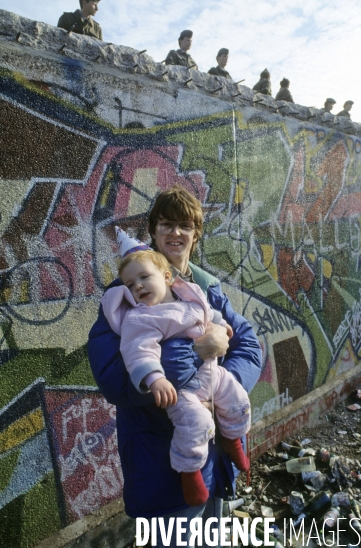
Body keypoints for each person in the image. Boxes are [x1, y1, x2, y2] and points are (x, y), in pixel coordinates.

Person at [88, 184, 262, 547]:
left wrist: (223, 384)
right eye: (166, 224)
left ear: (196, 235)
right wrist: (200, 351)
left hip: (214, 462)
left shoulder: (207, 289)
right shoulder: (124, 297)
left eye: (185, 226)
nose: (175, 233)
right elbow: (113, 378)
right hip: (159, 467)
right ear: (152, 231)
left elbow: (249, 346)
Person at [101, 230, 251, 507]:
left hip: (213, 376)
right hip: (185, 392)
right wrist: (155, 378)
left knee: (238, 398)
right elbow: (138, 351)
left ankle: (233, 440)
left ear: (167, 278)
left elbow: (209, 314)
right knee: (196, 423)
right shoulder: (139, 317)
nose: (139, 287)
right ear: (155, 230)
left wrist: (220, 326)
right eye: (131, 285)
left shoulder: (190, 294)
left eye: (145, 278)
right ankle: (189, 472)